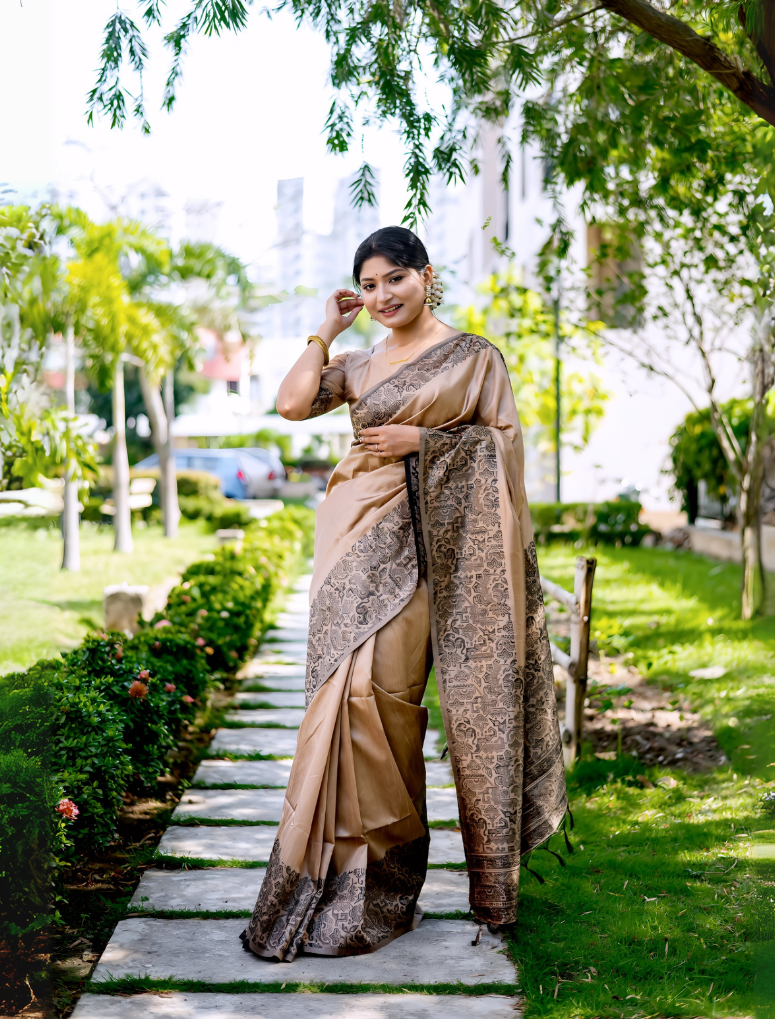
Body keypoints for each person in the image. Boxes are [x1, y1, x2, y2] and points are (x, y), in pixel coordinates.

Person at [240, 225, 567, 961]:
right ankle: (332, 884)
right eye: (371, 283)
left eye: (396, 279)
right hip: (350, 545)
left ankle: (385, 888)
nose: (384, 295)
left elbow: (504, 447)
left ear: (427, 276)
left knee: (381, 705)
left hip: (429, 551)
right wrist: (326, 328)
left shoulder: (474, 357)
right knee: (337, 702)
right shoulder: (357, 364)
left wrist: (427, 445)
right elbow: (291, 404)